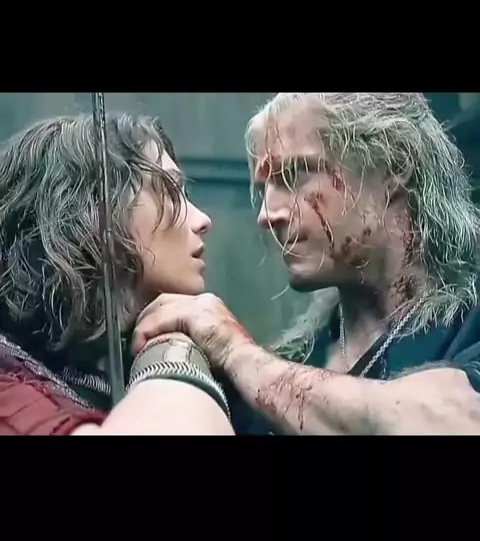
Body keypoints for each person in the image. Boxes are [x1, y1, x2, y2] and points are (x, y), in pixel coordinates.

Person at [132, 92, 480, 435]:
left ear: (394, 165)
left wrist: (234, 351)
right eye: (264, 189)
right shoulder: (286, 364)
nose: (268, 214)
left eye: (295, 175)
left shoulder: (470, 326)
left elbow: (454, 422)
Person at [0, 112, 233, 435]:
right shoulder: (8, 387)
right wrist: (172, 348)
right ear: (93, 211)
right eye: (170, 190)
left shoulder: (98, 371)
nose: (202, 220)